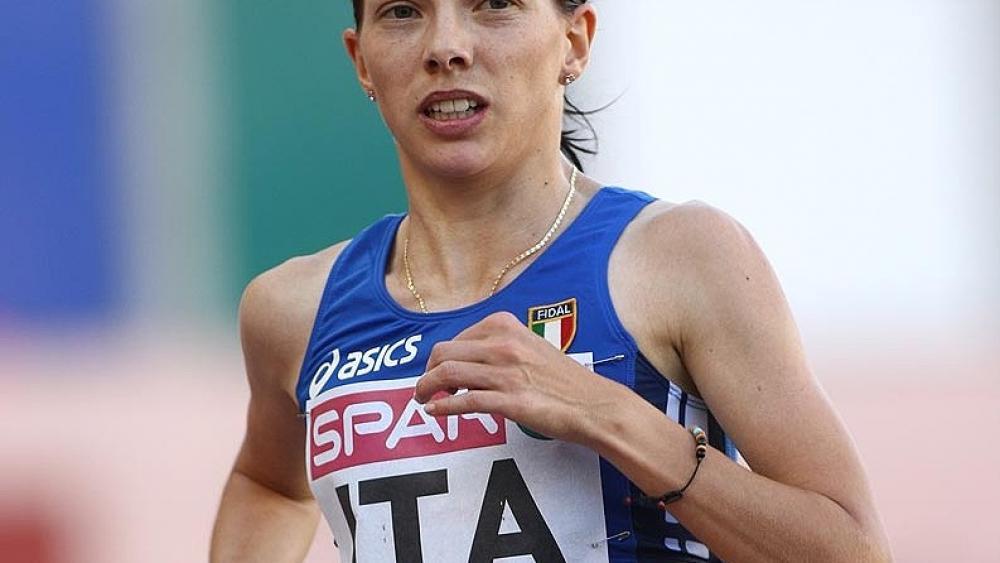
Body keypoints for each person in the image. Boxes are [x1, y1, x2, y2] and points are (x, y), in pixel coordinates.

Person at [210, 1, 892, 561]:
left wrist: (612, 416)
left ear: (575, 41)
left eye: (494, 5)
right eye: (403, 12)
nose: (445, 47)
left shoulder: (681, 258)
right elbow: (270, 486)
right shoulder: (294, 309)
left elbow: (852, 550)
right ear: (361, 60)